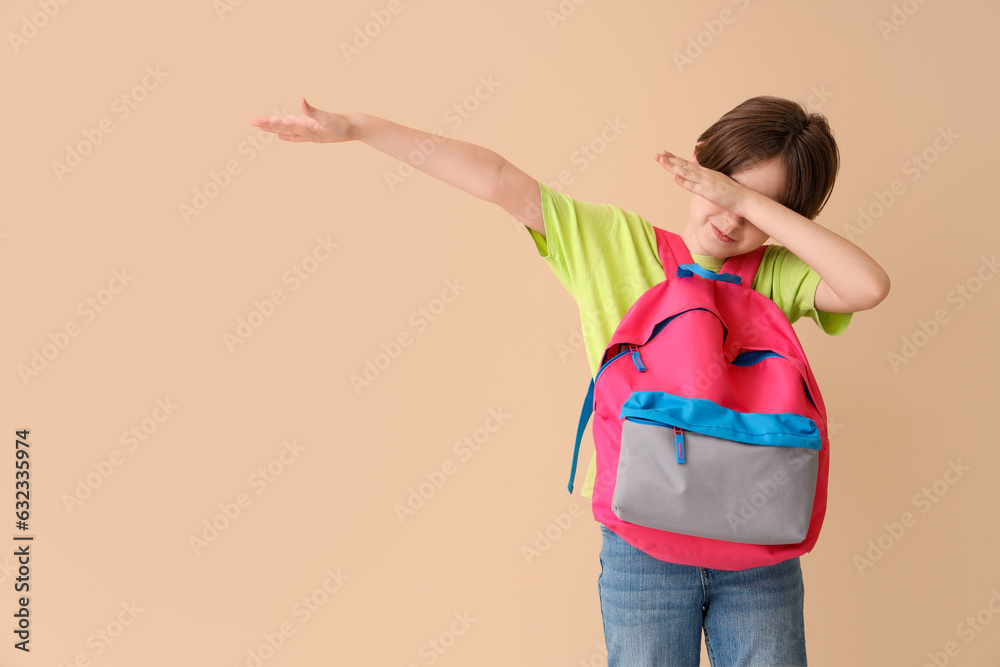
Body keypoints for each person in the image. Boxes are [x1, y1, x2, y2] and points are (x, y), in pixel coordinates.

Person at [249, 95, 890, 666]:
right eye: (723, 188)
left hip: (757, 551)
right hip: (643, 545)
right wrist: (361, 127)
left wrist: (751, 202)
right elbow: (497, 178)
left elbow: (868, 286)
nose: (731, 220)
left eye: (761, 208)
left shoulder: (777, 276)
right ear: (699, 162)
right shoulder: (613, 242)